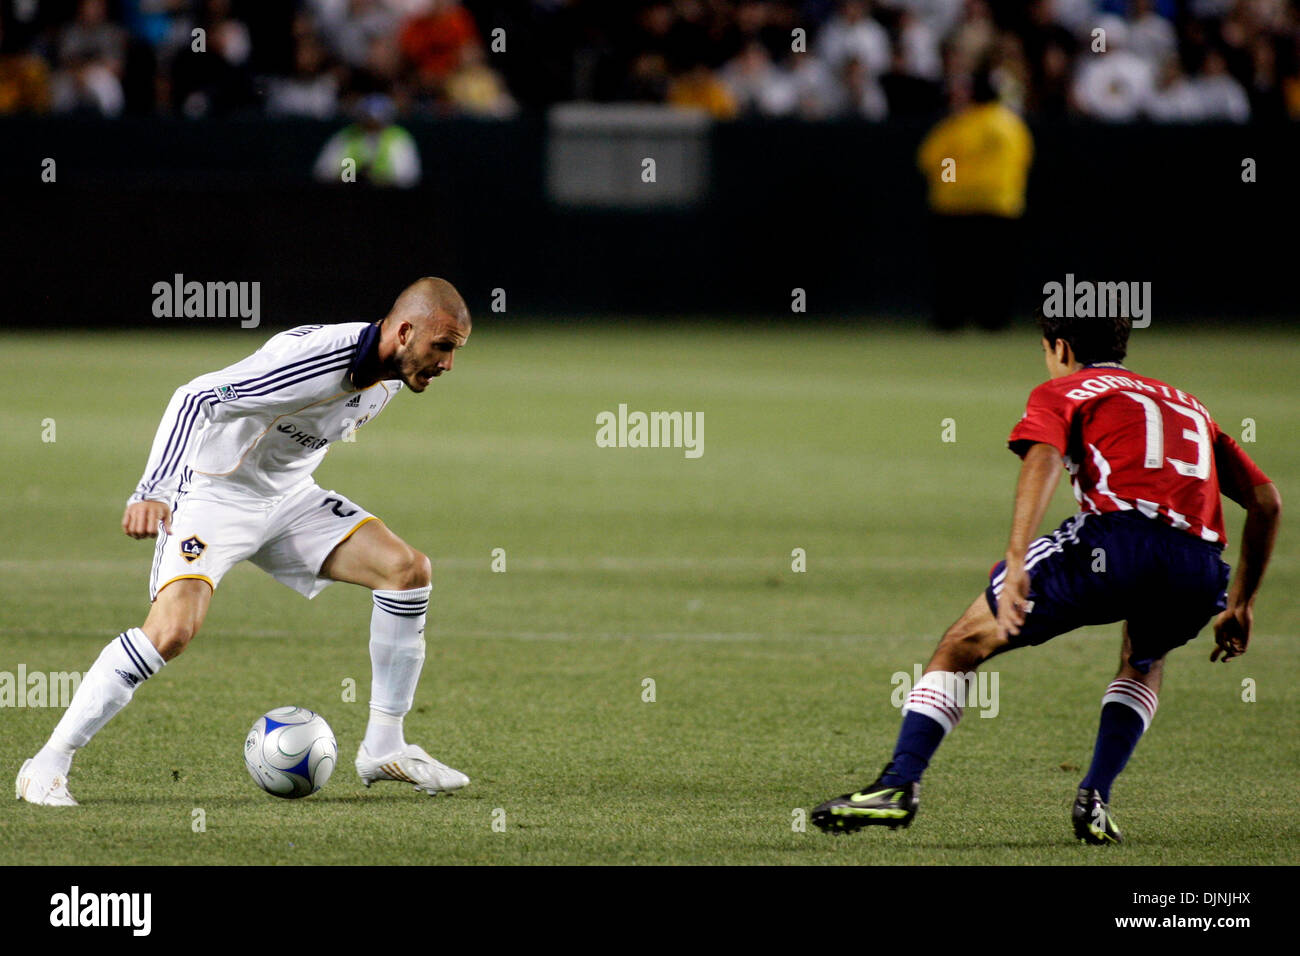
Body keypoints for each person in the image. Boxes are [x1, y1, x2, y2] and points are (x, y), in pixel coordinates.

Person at [811, 310, 1280, 843]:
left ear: (1058, 347)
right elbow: (1266, 500)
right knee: (1142, 661)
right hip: (1196, 565)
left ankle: (897, 787)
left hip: (1118, 541)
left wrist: (1016, 561)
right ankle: (1095, 798)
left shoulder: (1069, 389)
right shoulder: (1187, 403)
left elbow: (1045, 455)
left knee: (962, 644)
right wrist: (1241, 601)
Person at [17, 278, 472, 806]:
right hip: (214, 495)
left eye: (455, 351)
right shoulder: (315, 359)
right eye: (443, 347)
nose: (447, 364)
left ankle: (383, 746)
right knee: (171, 632)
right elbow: (196, 397)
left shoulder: (393, 374)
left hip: (289, 501)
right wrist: (154, 491)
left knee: (408, 571)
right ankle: (47, 763)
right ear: (405, 330)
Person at [917, 67, 1033, 330]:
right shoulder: (1011, 125)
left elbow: (933, 160)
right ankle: (994, 321)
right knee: (995, 272)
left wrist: (953, 182)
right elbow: (1023, 161)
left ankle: (949, 321)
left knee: (953, 272)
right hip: (1000, 207)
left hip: (955, 209)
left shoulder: (957, 125)